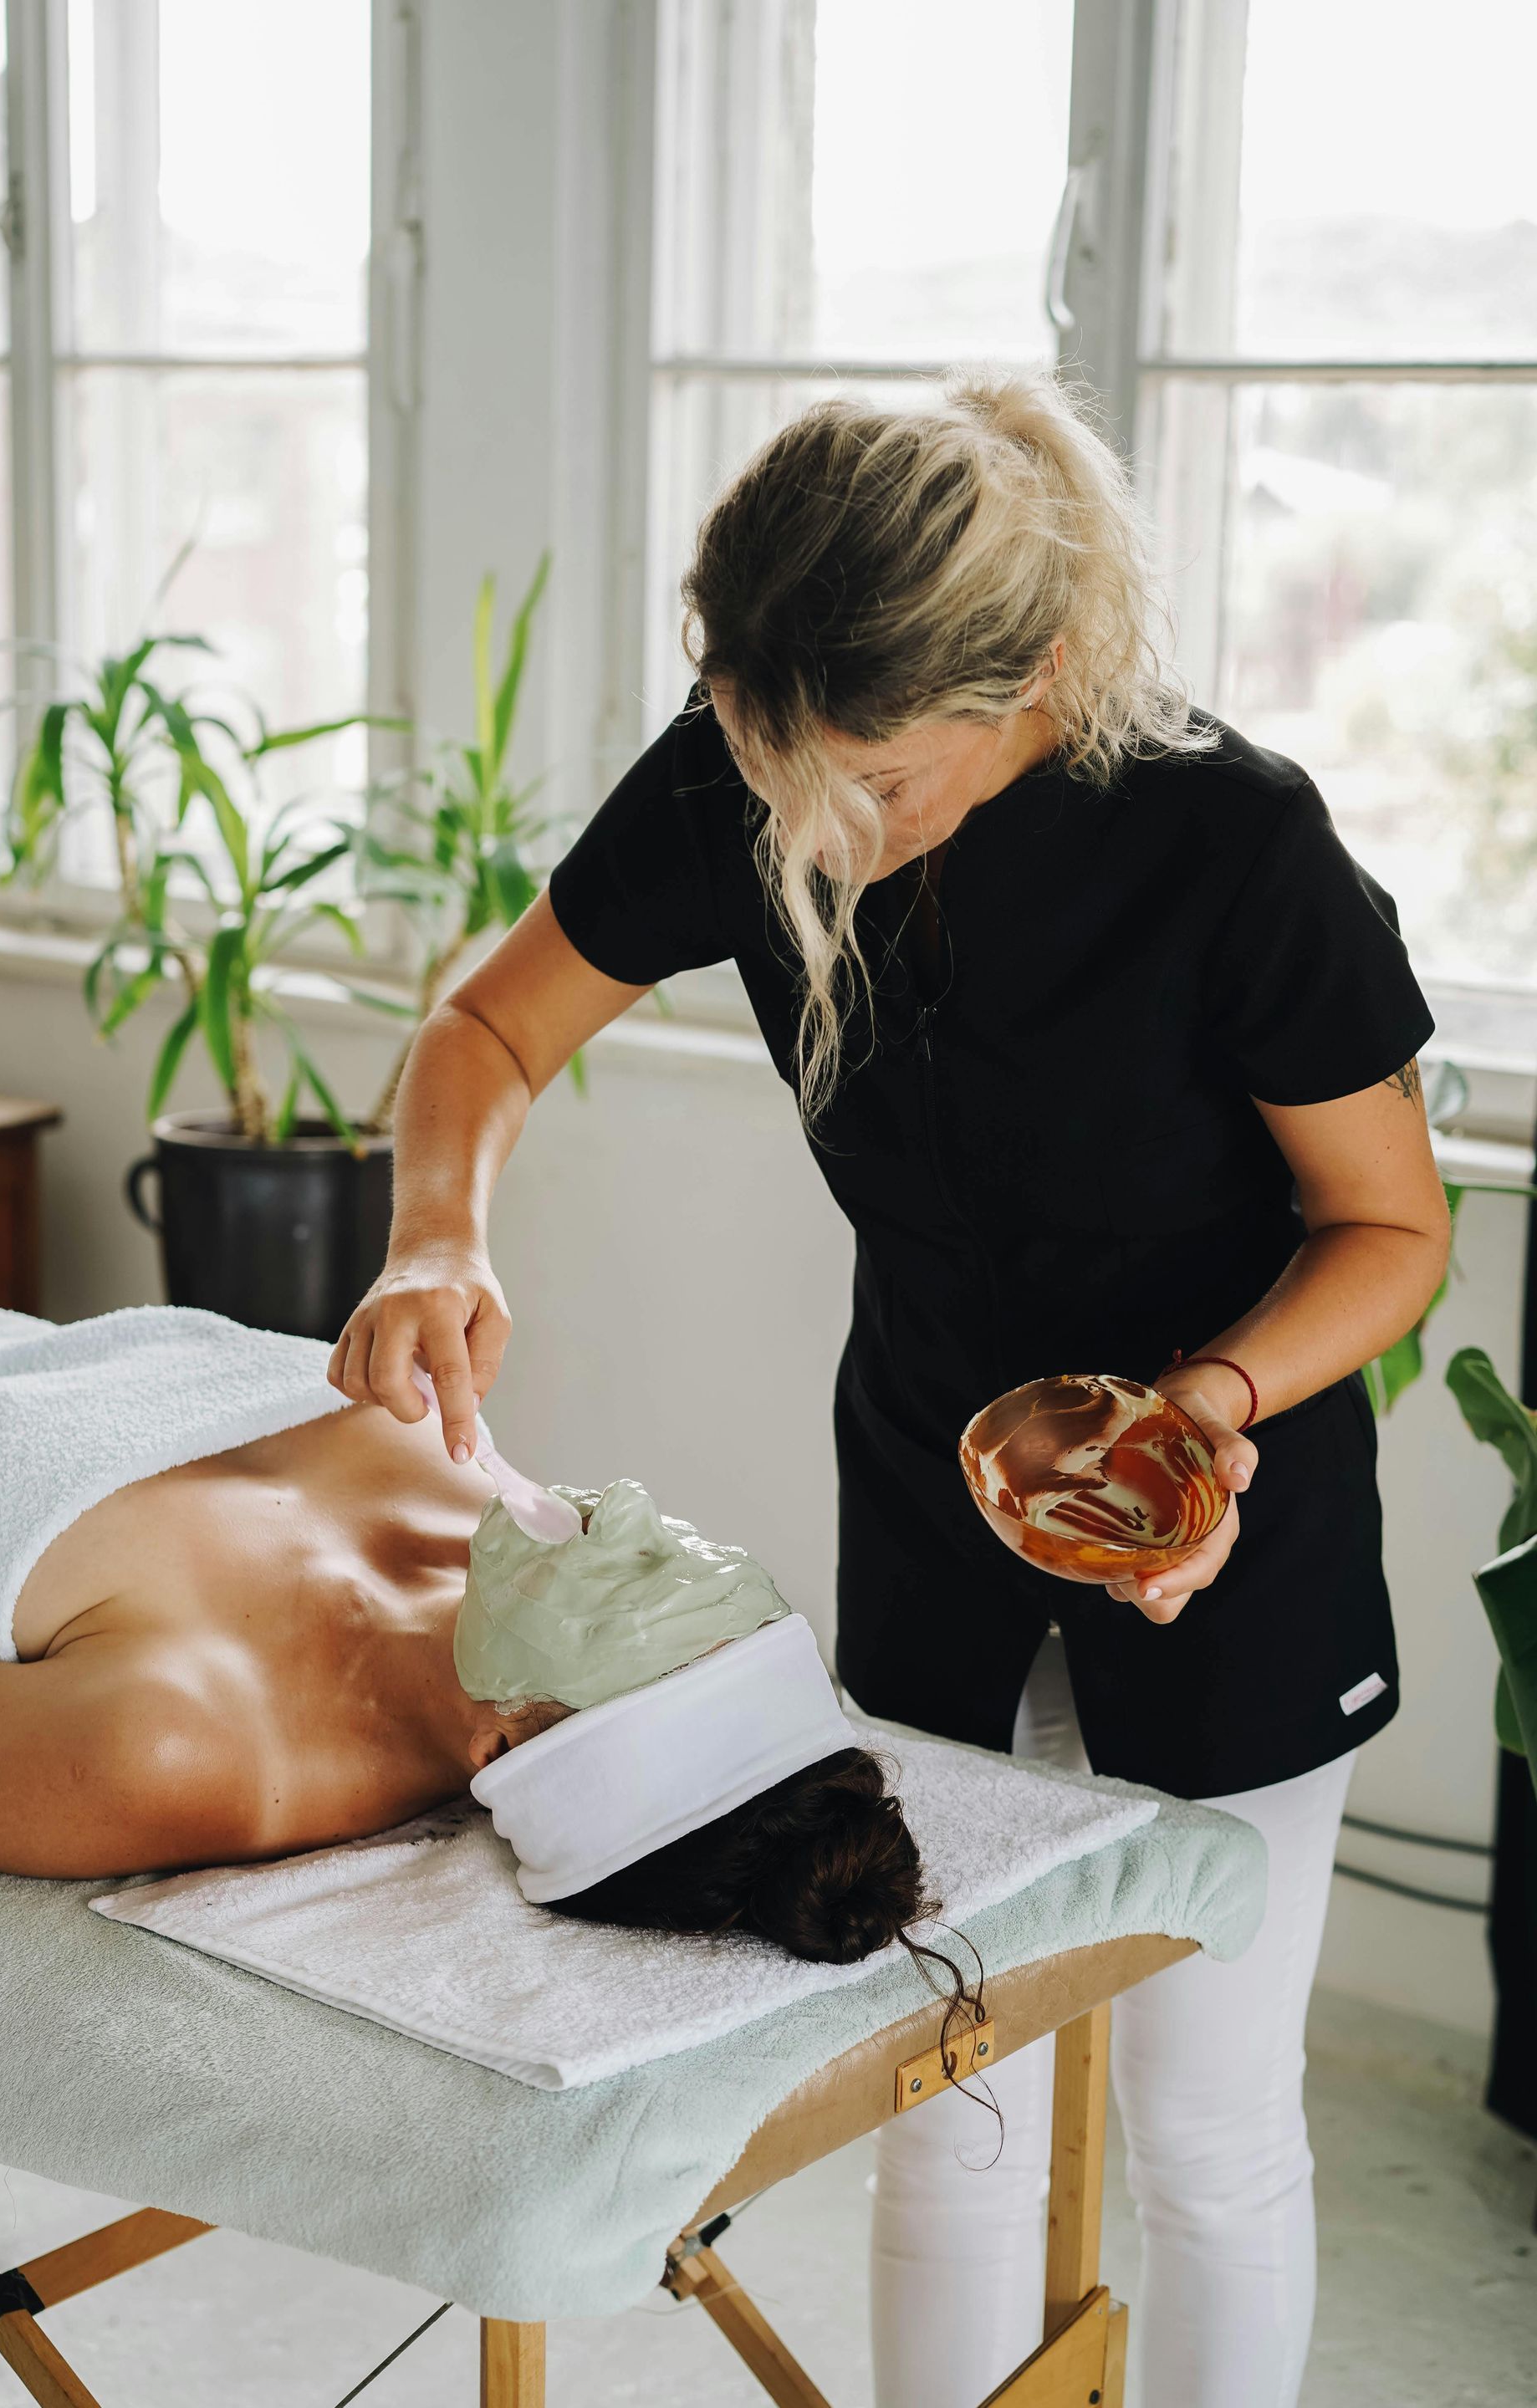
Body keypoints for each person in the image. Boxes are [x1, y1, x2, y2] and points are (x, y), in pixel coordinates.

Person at [330, 370, 1451, 2408]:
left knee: (1206, 2124)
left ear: (1032, 670)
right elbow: (488, 1026)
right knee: (941, 2089)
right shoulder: (749, 770)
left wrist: (1198, 1408)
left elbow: (1388, 1227)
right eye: (783, 784)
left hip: (1232, 1493)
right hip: (930, 1478)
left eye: (884, 792)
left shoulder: (1229, 842)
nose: (818, 843)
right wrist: (435, 1234)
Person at [0, 1302, 930, 1988]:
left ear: (505, 1747)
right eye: (698, 1574)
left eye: (645, 1604)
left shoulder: (175, 1749)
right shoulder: (494, 1527)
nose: (631, 1513)